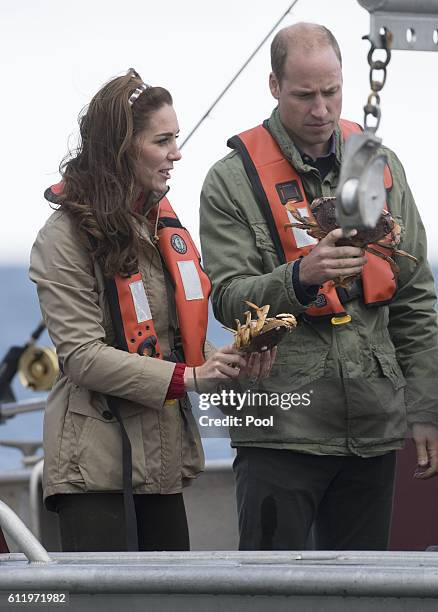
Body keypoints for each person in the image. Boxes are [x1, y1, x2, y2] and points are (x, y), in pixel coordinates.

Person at [199, 23, 438, 551]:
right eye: (305, 95)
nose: (321, 109)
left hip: (374, 427)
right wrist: (300, 277)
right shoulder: (229, 181)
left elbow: (416, 295)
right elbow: (228, 298)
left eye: (331, 92)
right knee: (270, 589)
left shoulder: (381, 164)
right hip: (281, 430)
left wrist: (424, 410)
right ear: (273, 85)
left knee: (364, 589)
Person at [29, 69, 273, 552]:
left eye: (176, 138)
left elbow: (178, 342)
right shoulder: (61, 239)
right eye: (162, 141)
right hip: (93, 471)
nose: (176, 153)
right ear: (122, 148)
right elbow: (81, 356)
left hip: (161, 463)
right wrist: (191, 378)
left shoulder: (161, 230)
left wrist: (229, 364)